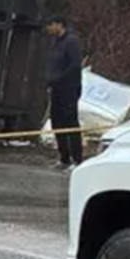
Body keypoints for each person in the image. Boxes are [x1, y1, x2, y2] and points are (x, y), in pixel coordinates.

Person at [43, 15, 83, 169]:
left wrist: (60, 78)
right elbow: (53, 63)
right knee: (57, 122)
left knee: (70, 122)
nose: (48, 29)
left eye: (50, 25)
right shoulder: (55, 42)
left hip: (69, 88)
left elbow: (74, 64)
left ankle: (77, 158)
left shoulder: (71, 41)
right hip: (56, 88)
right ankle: (64, 157)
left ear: (59, 25)